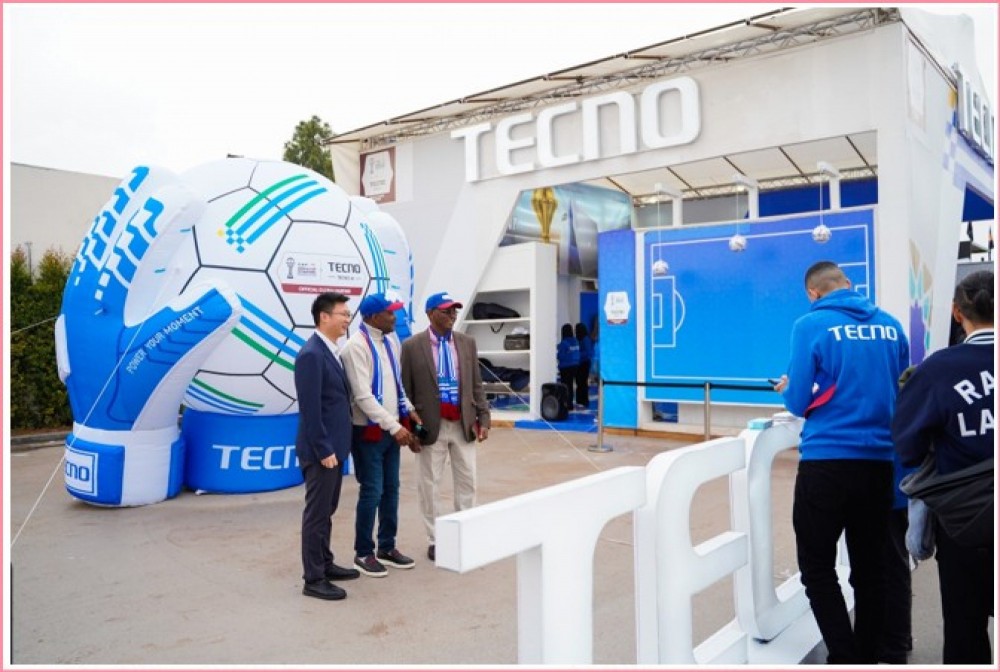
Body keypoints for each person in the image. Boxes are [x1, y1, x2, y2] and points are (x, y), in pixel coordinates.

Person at [773, 260, 909, 663]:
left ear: (813, 293)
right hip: (879, 463)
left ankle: (844, 657)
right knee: (871, 570)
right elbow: (902, 391)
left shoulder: (809, 326)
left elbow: (798, 400)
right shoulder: (891, 326)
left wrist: (788, 388)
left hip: (827, 461)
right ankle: (865, 658)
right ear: (848, 283)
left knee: (817, 567)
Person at [892, 270, 994, 664]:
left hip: (965, 524)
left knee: (965, 631)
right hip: (968, 525)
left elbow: (908, 448)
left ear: (956, 312)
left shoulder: (937, 370)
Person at [400, 291, 491, 562]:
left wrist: (484, 418)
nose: (452, 315)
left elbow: (476, 384)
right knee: (429, 485)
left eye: (454, 310)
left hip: (463, 423)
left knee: (467, 481)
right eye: (446, 310)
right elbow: (405, 390)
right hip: (431, 426)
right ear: (430, 314)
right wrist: (410, 430)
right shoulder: (412, 346)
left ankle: (465, 533)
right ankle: (436, 539)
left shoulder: (466, 343)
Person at [342, 293, 424, 577]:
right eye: (390, 313)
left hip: (391, 429)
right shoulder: (355, 347)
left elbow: (396, 385)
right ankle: (363, 553)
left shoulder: (390, 341)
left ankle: (387, 547)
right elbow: (363, 397)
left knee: (392, 489)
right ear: (374, 317)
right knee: (372, 491)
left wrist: (409, 410)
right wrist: (395, 426)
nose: (395, 317)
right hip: (368, 431)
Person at [294, 292, 361, 600]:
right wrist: (324, 449)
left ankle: (325, 563)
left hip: (334, 447)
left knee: (327, 510)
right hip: (322, 451)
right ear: (324, 317)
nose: (347, 319)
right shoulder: (311, 355)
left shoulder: (329, 351)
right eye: (343, 314)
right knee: (317, 514)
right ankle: (314, 579)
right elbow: (310, 409)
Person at [556, 323, 580, 409]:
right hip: (575, 366)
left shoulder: (564, 343)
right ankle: (570, 403)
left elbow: (561, 356)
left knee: (565, 386)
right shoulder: (575, 341)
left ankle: (566, 404)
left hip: (566, 367)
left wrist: (557, 354)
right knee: (571, 385)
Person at [574, 322, 593, 409]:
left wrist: (578, 354)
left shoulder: (585, 339)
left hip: (584, 363)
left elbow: (588, 352)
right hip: (581, 363)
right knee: (580, 382)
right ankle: (580, 400)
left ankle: (583, 400)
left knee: (582, 382)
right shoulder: (580, 339)